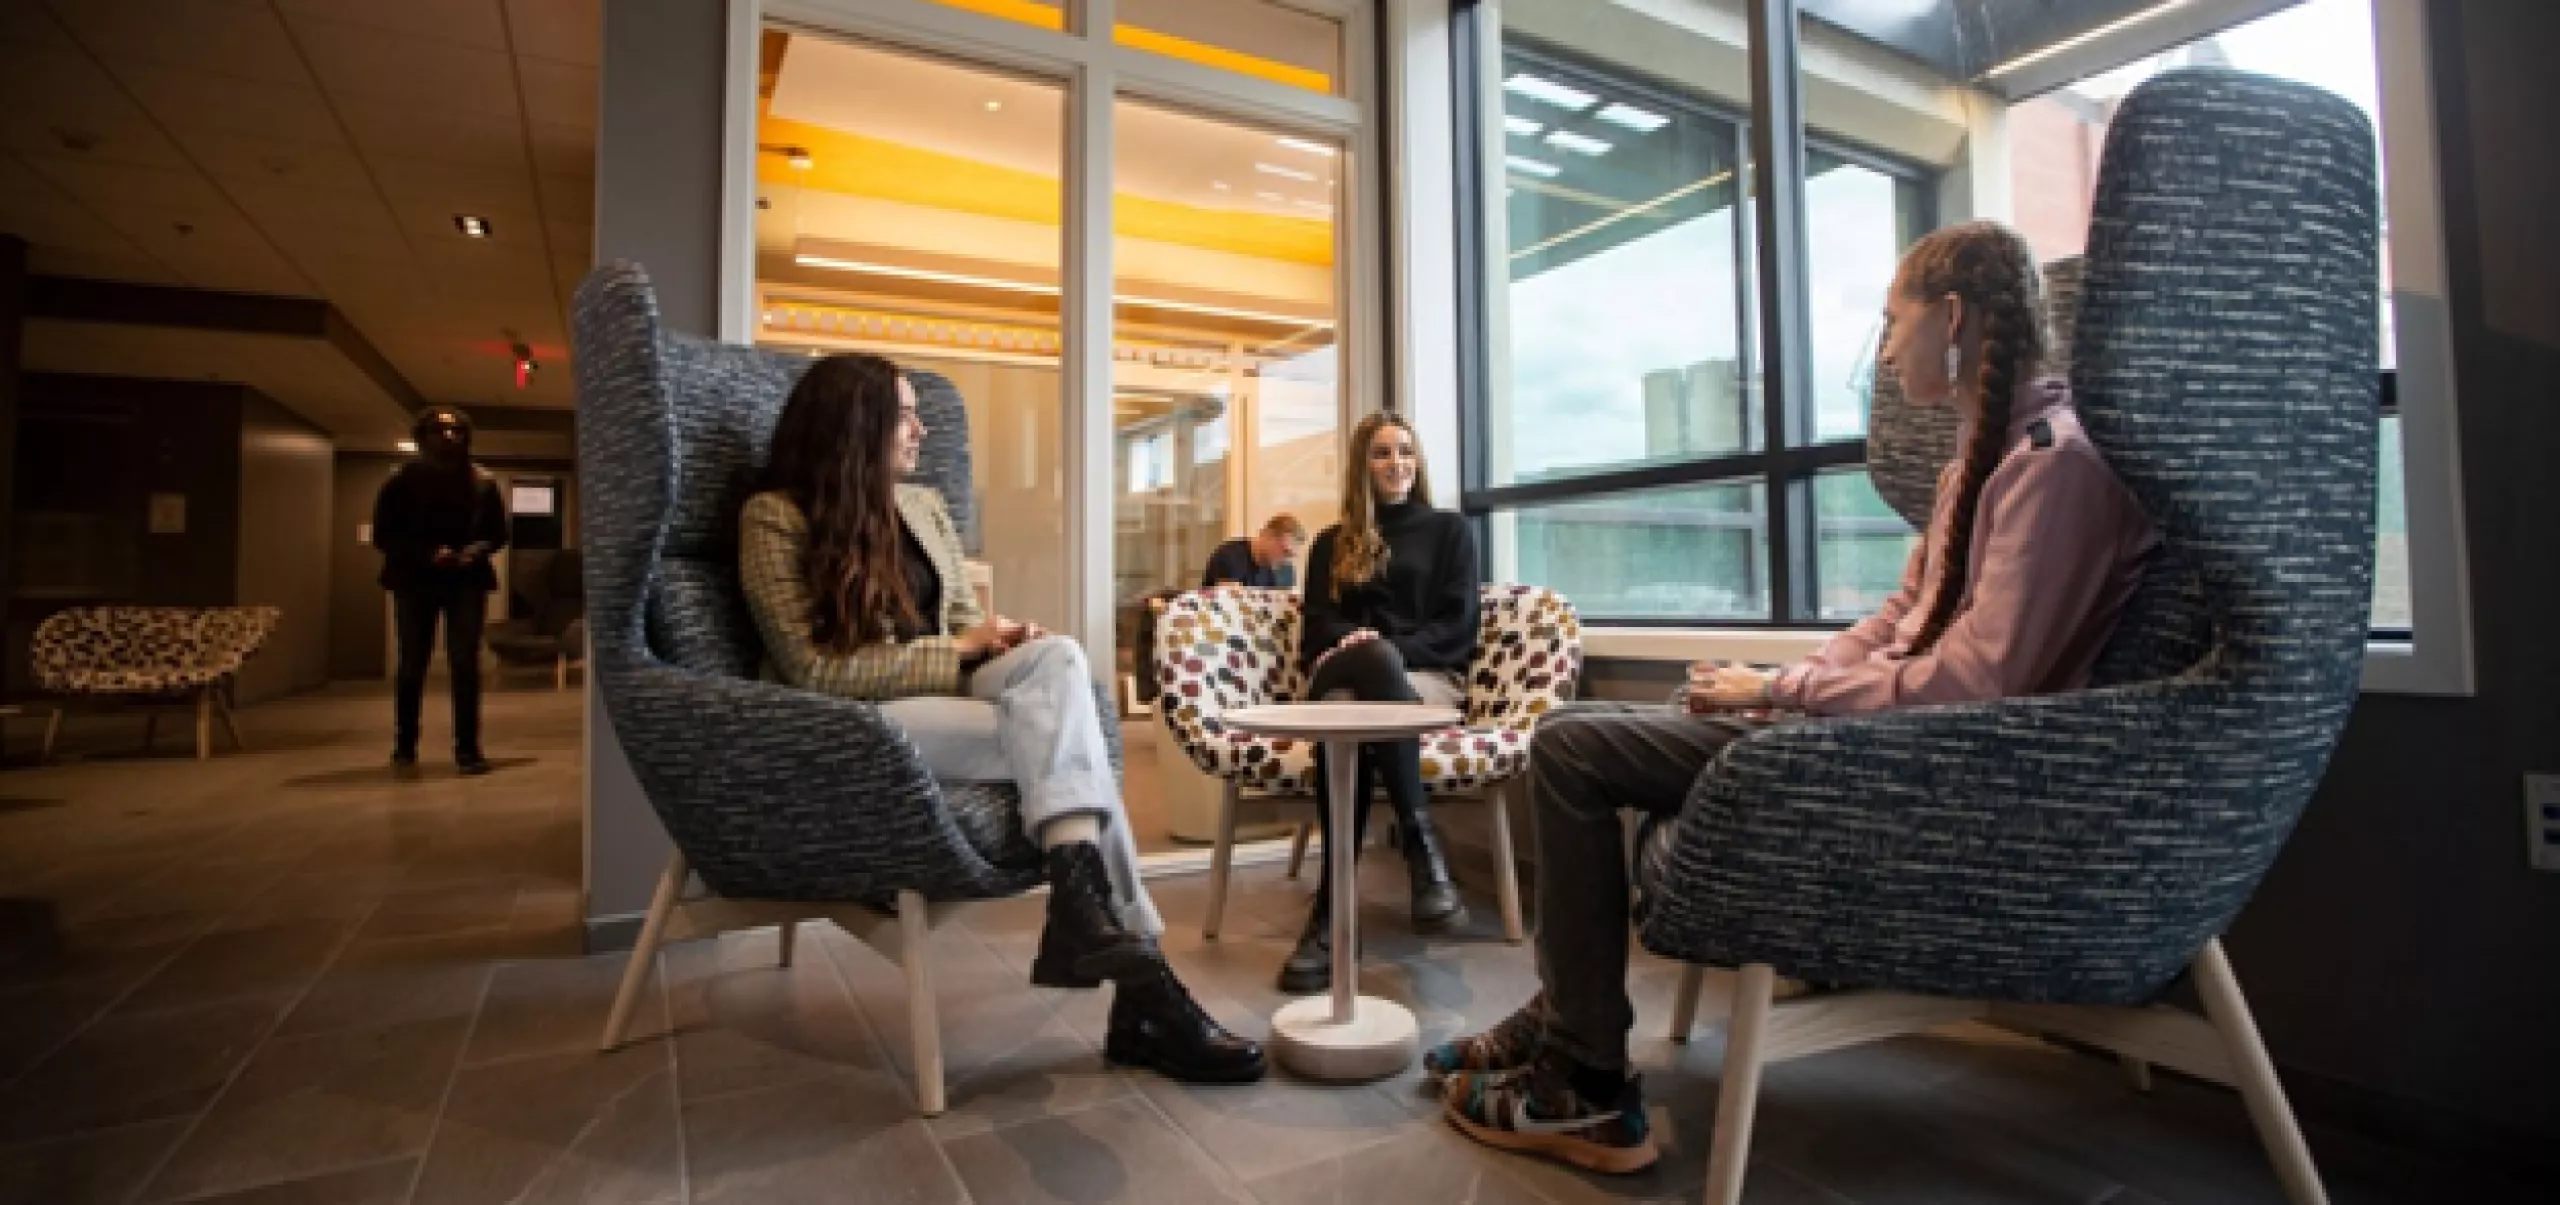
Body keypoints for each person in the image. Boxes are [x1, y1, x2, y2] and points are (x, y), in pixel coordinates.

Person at [1434, 221, 2160, 1174]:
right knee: (1569, 726)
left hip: (1938, 774)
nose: (1887, 347)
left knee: (1570, 750)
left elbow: (1981, 684)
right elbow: (1901, 617)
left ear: (1953, 318)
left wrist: (1787, 687)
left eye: (1893, 320)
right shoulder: (1971, 469)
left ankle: (1587, 1086)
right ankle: (1569, 1015)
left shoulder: (2052, 467)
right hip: (1878, 737)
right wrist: (1779, 694)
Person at [737, 353, 1265, 1085]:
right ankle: (1146, 995)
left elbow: (959, 623)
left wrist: (999, 636)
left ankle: (1090, 920)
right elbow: (816, 668)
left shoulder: (921, 508)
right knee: (1067, 747)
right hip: (857, 723)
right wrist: (959, 648)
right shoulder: (774, 518)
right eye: (906, 413)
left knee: (1061, 663)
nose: (922, 429)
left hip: (943, 699)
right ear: (858, 422)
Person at [1279, 412, 1482, 994]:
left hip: (1423, 680)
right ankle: (1424, 857)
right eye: (1381, 453)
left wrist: (1388, 649)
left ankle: (1330, 912)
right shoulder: (1331, 543)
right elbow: (1314, 632)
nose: (1396, 464)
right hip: (1340, 672)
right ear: (1361, 466)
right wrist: (1360, 647)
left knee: (1366, 683)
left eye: (1405, 452)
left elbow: (1458, 628)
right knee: (1361, 671)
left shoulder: (1449, 531)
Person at [374, 406, 509, 775]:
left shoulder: (483, 481)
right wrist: (428, 554)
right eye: (439, 431)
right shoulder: (401, 482)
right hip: (415, 578)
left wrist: (472, 552)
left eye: (457, 432)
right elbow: (384, 535)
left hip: (465, 580)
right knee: (411, 665)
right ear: (423, 437)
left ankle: (468, 749)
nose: (449, 437)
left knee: (465, 663)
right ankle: (404, 745)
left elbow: (496, 534)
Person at [1200, 513, 1307, 591]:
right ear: (1268, 536)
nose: (1286, 560)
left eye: (1290, 555)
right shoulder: (1229, 557)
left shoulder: (1270, 569)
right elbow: (1227, 607)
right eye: (1285, 551)